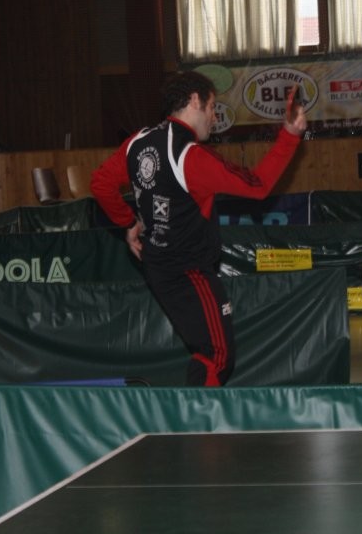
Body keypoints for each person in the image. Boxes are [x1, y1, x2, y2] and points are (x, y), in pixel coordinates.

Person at [91, 71, 308, 386]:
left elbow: (100, 184)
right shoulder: (191, 156)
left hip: (158, 266)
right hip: (189, 270)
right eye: (212, 107)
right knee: (217, 357)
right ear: (194, 100)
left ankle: (196, 413)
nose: (215, 117)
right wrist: (289, 135)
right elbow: (258, 186)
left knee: (209, 352)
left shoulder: (138, 142)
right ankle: (196, 416)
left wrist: (128, 223)